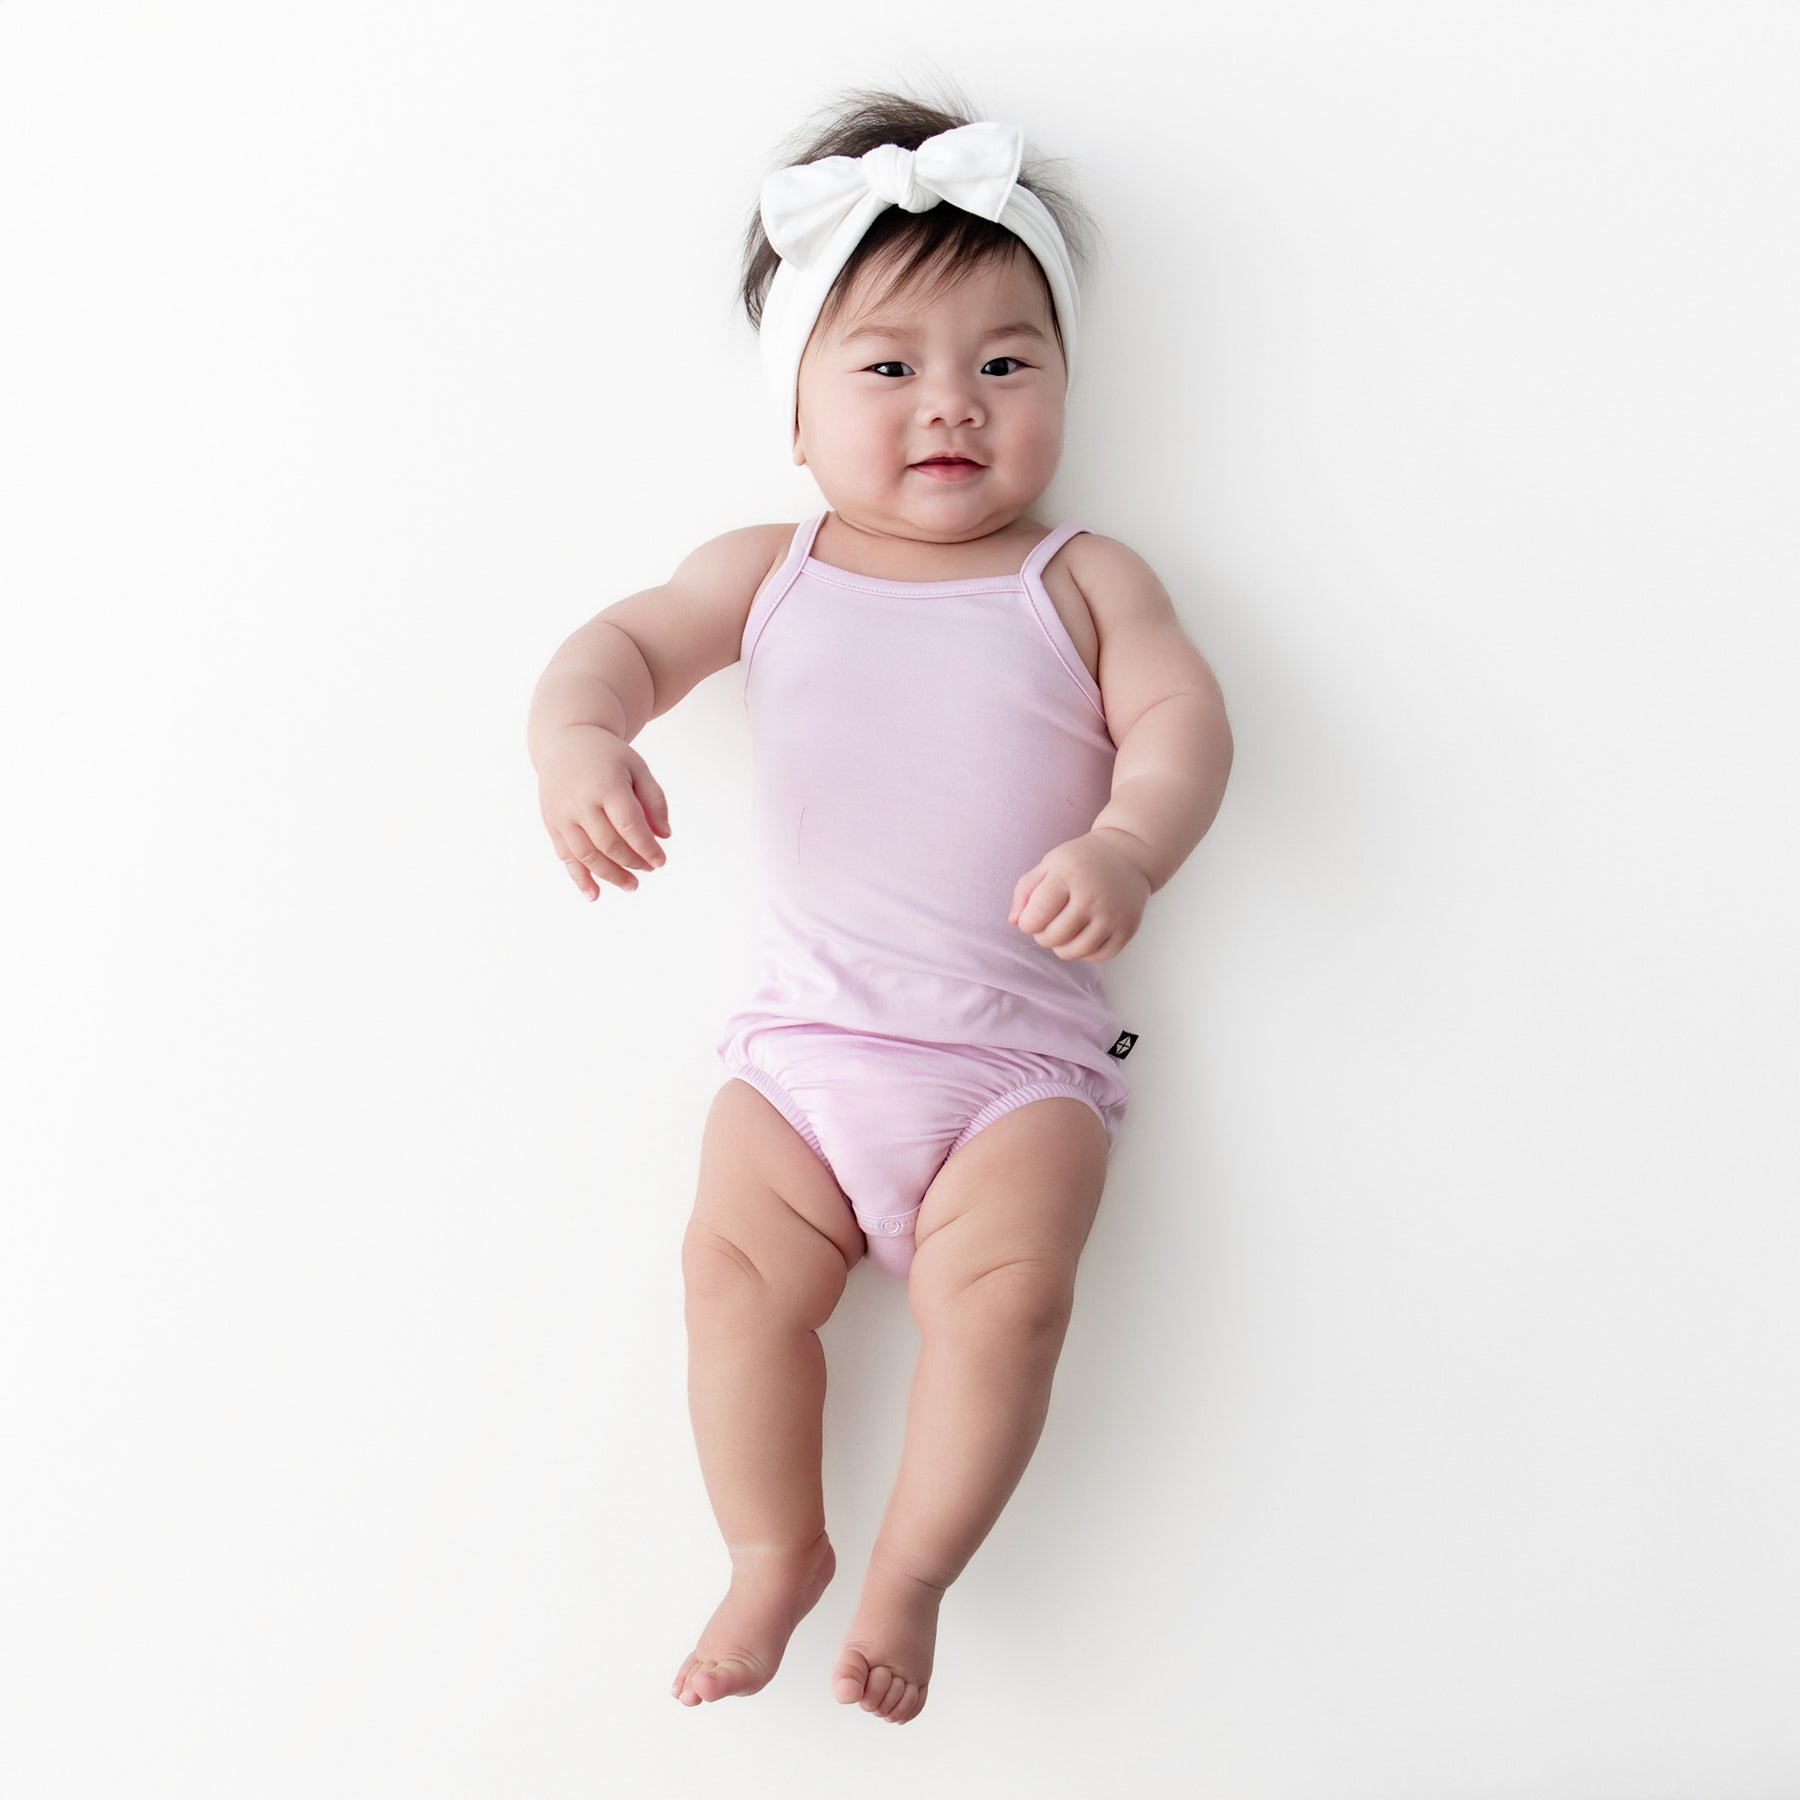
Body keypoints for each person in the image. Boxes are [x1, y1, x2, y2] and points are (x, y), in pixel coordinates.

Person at [526, 85, 1234, 1726]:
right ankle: (774, 1548)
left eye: (1006, 363)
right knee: (729, 1272)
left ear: (1062, 385)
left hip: (1014, 1072)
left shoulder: (1083, 578)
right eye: (891, 367)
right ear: (795, 409)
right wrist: (576, 740)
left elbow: (1184, 724)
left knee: (1014, 1299)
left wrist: (1129, 846)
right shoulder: (765, 571)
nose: (953, 408)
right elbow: (614, 651)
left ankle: (911, 1572)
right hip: (803, 1056)